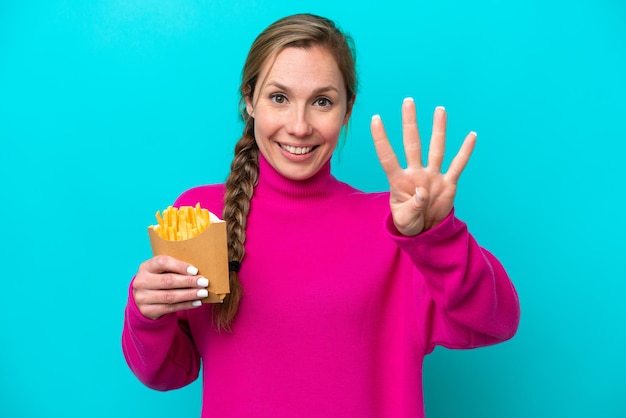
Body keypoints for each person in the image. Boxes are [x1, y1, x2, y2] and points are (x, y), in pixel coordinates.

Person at [122, 13, 520, 417]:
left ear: (346, 111)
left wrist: (438, 235)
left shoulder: (400, 226)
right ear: (249, 101)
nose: (299, 126)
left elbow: (496, 322)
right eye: (279, 98)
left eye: (322, 102)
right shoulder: (200, 216)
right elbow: (167, 372)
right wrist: (147, 313)